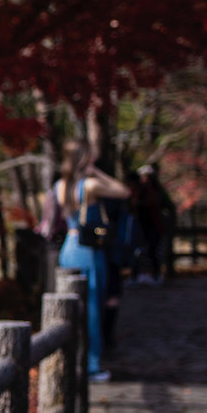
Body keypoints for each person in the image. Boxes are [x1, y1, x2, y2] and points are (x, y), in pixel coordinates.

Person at [49, 139, 130, 381]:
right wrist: (98, 173)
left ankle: (70, 359)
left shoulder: (59, 185)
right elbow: (123, 191)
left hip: (69, 246)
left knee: (72, 307)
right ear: (84, 159)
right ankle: (92, 364)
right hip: (89, 249)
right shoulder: (91, 185)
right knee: (93, 307)